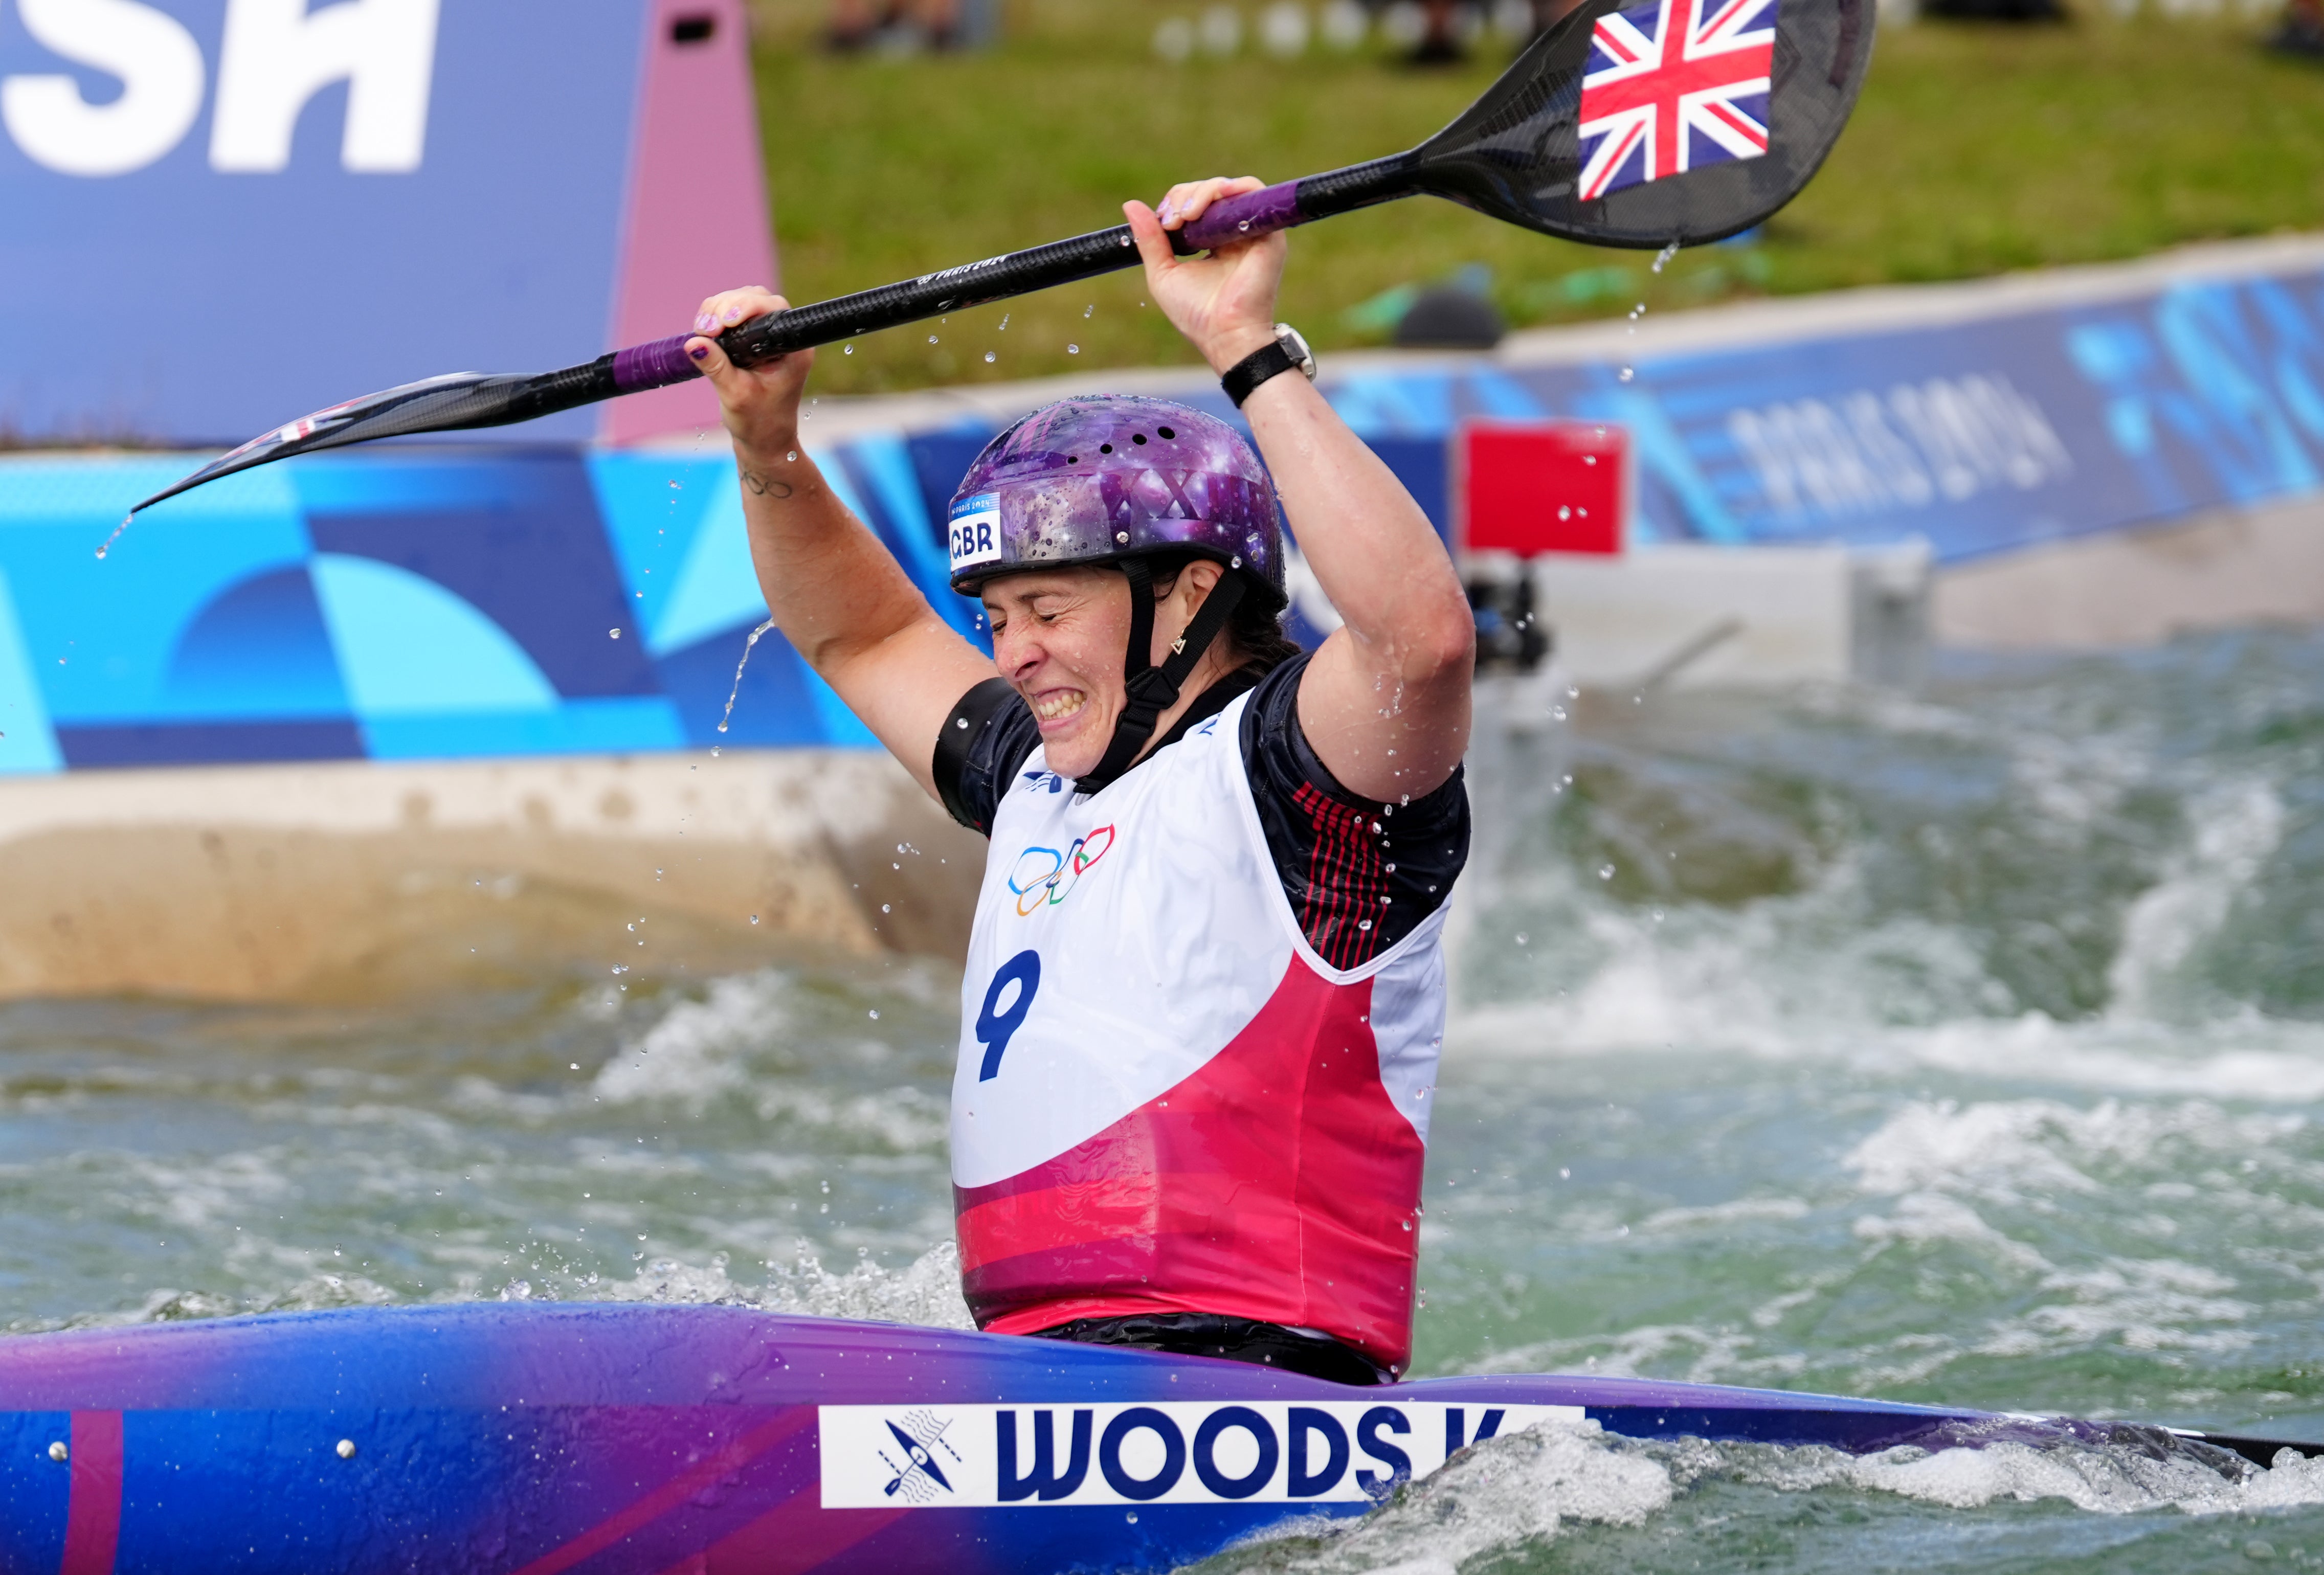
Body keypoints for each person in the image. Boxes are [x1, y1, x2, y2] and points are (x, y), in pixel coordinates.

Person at [682, 175, 1476, 1385]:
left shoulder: (1300, 782)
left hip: (1255, 1380)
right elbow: (865, 637)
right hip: (1042, 1375)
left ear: (1194, 593)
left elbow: (1420, 643)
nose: (1015, 654)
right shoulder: (1032, 783)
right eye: (998, 618)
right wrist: (766, 444)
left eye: (1049, 608)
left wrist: (1242, 345)